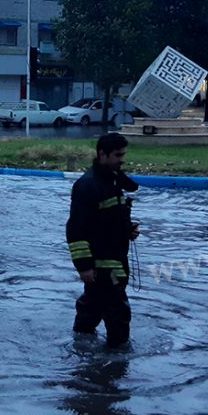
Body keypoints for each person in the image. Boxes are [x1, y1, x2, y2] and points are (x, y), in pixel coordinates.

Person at [66, 133, 141, 348]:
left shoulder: (111, 182)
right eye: (118, 155)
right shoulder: (88, 186)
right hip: (103, 265)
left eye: (123, 154)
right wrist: (84, 267)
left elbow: (108, 219)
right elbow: (75, 229)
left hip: (114, 261)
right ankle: (118, 363)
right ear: (102, 154)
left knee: (92, 310)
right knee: (118, 315)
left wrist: (128, 230)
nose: (122, 159)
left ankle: (81, 355)